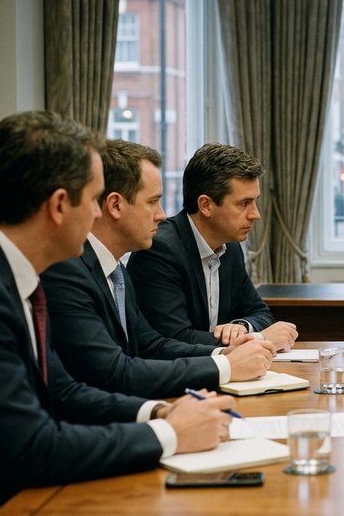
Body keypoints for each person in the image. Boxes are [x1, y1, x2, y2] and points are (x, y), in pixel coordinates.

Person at [0, 111, 235, 513]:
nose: (98, 215)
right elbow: (29, 447)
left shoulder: (11, 273)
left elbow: (63, 391)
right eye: (92, 200)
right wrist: (169, 434)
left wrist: (159, 410)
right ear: (59, 205)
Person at [41, 140, 276, 398]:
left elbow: (150, 345)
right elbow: (113, 372)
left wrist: (224, 353)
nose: (162, 215)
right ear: (116, 205)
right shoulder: (67, 271)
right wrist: (226, 367)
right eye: (153, 202)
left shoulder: (115, 269)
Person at [127, 143, 297, 349]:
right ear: (206, 205)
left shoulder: (230, 247)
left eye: (255, 202)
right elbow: (173, 339)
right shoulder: (159, 250)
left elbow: (260, 312)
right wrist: (258, 339)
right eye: (244, 203)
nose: (256, 214)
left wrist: (242, 326)